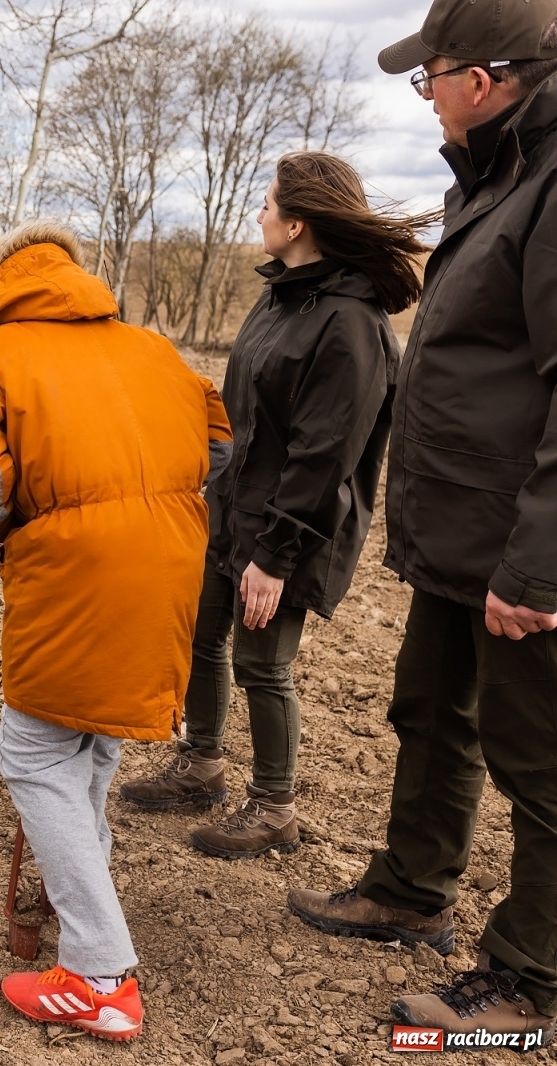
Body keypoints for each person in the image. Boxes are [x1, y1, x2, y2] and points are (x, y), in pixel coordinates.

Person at [287, 0, 557, 1043]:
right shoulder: (498, 181)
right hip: (465, 537)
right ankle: (410, 886)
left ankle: (527, 976)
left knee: (536, 759)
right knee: (429, 711)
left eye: (430, 75)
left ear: (483, 80)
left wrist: (537, 565)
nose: (428, 95)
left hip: (523, 549)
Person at [0, 223, 231, 1042]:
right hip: (171, 565)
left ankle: (100, 973)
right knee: (91, 742)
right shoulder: (153, 348)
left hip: (73, 573)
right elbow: (219, 445)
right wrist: (157, 504)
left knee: (32, 753)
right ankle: (84, 914)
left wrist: (38, 524)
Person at [121, 153, 434, 859]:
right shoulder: (282, 297)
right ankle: (201, 765)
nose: (258, 214)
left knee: (263, 664)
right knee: (199, 638)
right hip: (231, 511)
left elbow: (326, 455)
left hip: (291, 527)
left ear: (297, 222)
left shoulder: (351, 324)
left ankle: (274, 807)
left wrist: (275, 556)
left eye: (267, 203)